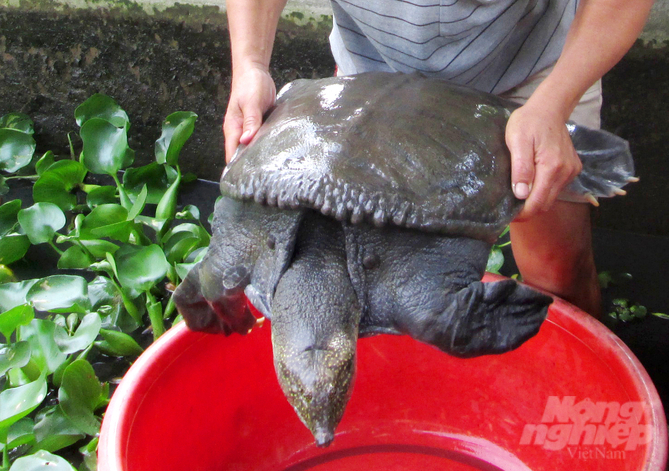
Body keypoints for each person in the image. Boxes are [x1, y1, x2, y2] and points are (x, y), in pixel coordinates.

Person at [222, 0, 654, 317]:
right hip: (375, 72)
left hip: (531, 71)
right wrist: (250, 65)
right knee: (365, 261)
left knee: (556, 270)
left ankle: (576, 393)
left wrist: (553, 105)